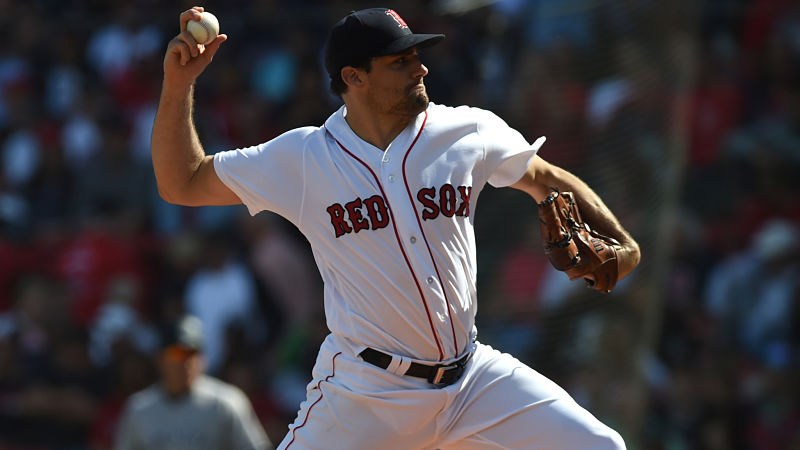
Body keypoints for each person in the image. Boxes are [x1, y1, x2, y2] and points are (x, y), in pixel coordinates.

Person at [152, 6, 641, 449]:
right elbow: (182, 182)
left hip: (471, 381)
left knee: (603, 446)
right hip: (367, 394)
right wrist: (178, 86)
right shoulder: (304, 157)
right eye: (400, 61)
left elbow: (546, 178)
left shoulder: (465, 131)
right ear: (354, 77)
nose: (420, 68)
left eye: (416, 56)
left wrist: (624, 243)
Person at [114, 315, 272, 450]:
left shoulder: (226, 403)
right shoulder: (139, 409)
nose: (186, 362)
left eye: (191, 353)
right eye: (177, 354)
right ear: (160, 359)